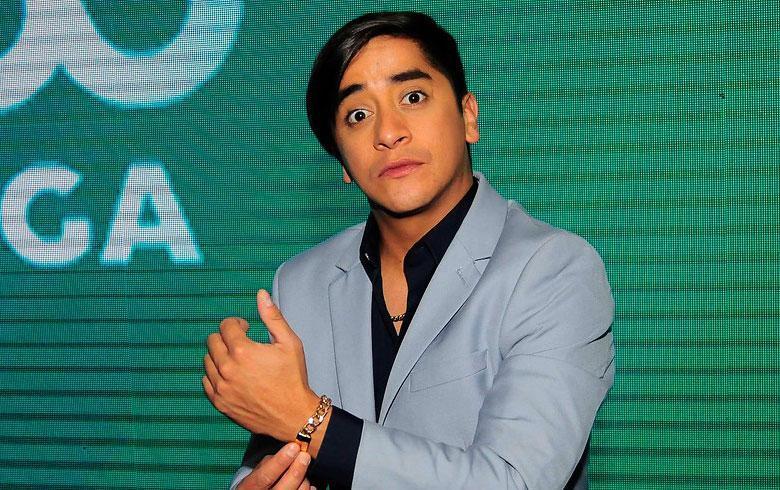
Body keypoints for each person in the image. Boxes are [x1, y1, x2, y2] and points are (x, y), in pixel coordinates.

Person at [203, 11, 615, 490]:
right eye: (358, 115)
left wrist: (309, 420)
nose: (388, 132)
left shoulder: (555, 269)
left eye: (412, 97)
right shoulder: (300, 283)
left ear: (468, 116)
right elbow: (274, 458)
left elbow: (513, 480)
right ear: (342, 160)